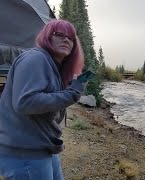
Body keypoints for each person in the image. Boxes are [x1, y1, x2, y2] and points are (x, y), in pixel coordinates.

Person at [0, 19, 85, 180]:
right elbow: (26, 102)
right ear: (47, 37)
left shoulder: (53, 66)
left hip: (42, 147)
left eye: (71, 37)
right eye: (59, 34)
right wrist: (72, 93)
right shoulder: (35, 59)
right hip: (24, 153)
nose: (66, 39)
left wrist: (70, 87)